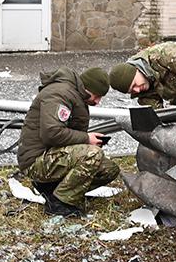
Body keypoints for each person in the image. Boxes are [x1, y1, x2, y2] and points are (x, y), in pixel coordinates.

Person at [17, 67, 119, 217]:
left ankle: (55, 190)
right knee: (92, 154)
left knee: (109, 169)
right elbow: (52, 133)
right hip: (36, 161)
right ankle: (59, 204)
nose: (97, 102)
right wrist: (86, 139)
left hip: (51, 156)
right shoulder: (59, 94)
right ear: (86, 88)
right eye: (96, 96)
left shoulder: (74, 94)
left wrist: (87, 139)